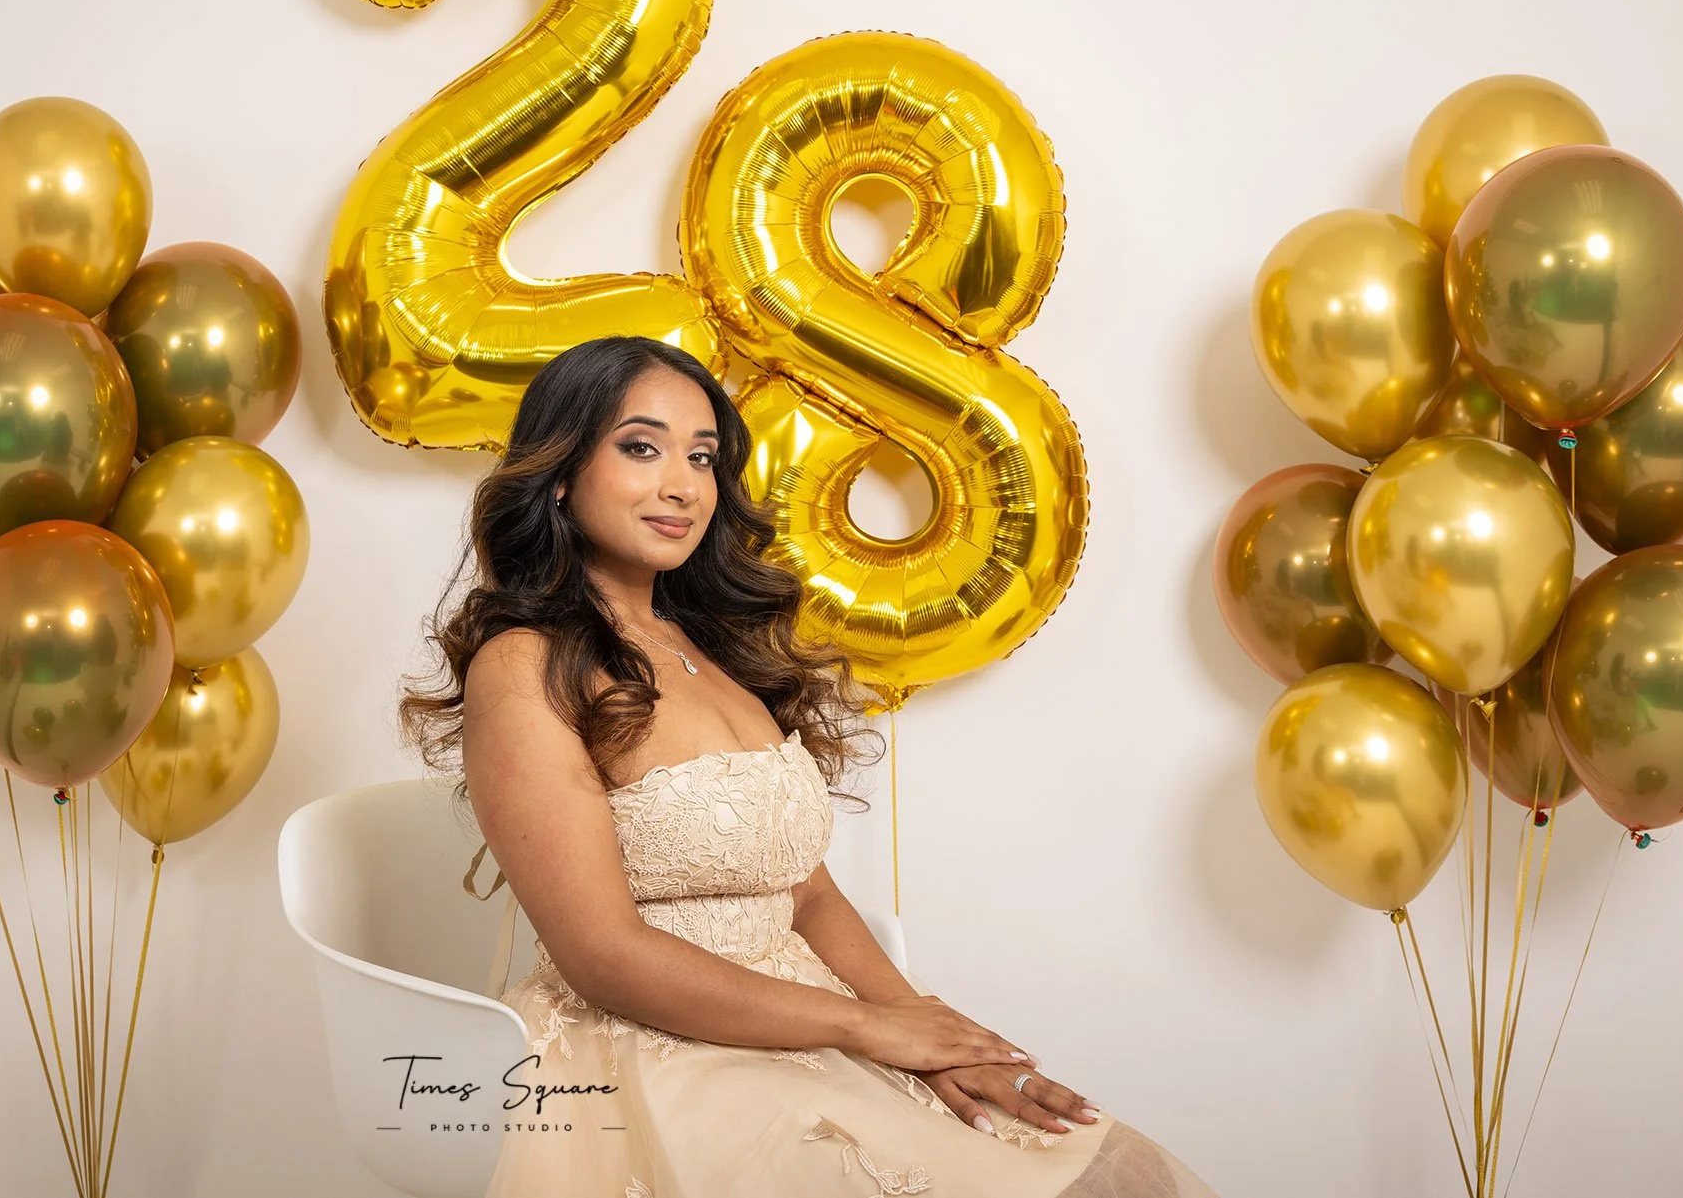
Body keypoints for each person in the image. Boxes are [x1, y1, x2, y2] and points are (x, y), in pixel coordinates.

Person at [400, 336, 1220, 1196]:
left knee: (1109, 1170)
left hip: (809, 1013)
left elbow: (809, 891)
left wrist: (920, 1025)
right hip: (647, 1045)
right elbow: (603, 952)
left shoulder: (706, 646)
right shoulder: (524, 662)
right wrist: (870, 1031)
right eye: (641, 447)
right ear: (562, 471)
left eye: (703, 456)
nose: (682, 484)